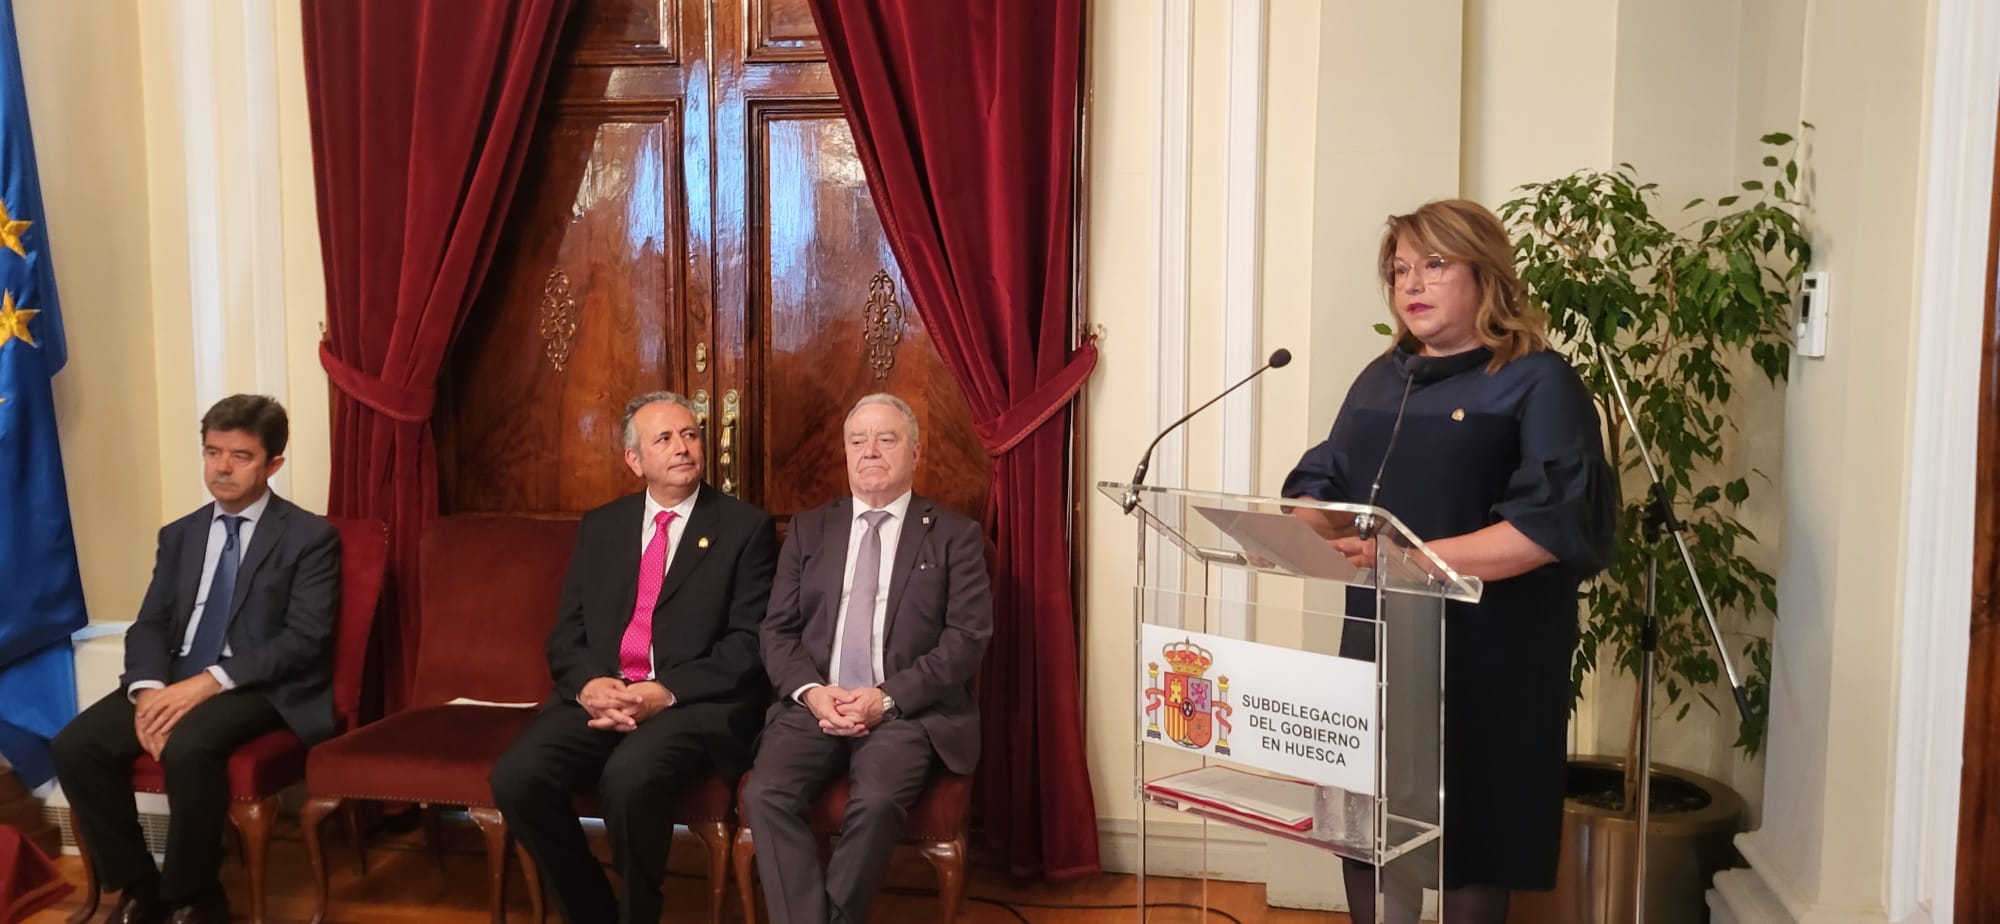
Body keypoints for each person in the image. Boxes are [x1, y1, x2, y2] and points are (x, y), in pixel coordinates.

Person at [1284, 199, 1617, 924]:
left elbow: (1545, 526)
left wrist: (1407, 556)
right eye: (1401, 269)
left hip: (1490, 651)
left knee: (1474, 829)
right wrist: (1293, 525)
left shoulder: (1537, 380)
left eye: (1434, 264)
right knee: (1373, 825)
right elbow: (1324, 484)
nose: (1412, 283)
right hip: (1380, 643)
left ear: (1485, 273)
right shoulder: (1383, 378)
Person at [489, 391, 777, 924]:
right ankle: (593, 911)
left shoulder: (744, 529)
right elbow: (566, 633)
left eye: (690, 435)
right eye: (664, 439)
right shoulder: (602, 526)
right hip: (605, 695)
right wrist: (588, 686)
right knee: (516, 776)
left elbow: (747, 645)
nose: (683, 448)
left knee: (629, 777)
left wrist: (662, 691)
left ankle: (639, 913)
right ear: (634, 459)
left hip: (689, 704)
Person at [53, 395, 341, 924]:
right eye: (212, 452)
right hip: (173, 677)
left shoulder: (310, 537)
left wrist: (207, 682)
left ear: (274, 463)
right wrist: (147, 692)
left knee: (190, 745)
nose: (221, 468)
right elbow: (151, 624)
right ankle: (142, 889)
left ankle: (195, 894)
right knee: (76, 746)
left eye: (241, 456)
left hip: (260, 684)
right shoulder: (181, 534)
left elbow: (304, 639)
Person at [742, 393, 992, 924]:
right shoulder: (811, 530)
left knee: (877, 801)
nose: (870, 451)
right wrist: (812, 693)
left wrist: (887, 698)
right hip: (816, 701)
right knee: (765, 793)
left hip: (907, 712)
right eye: (858, 441)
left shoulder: (955, 536)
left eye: (886, 439)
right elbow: (777, 630)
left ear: (915, 452)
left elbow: (965, 640)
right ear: (845, 453)